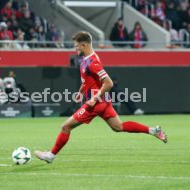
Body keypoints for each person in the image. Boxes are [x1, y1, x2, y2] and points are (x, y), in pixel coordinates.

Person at [35, 31, 167, 163]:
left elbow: (108, 83)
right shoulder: (86, 60)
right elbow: (87, 80)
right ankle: (153, 130)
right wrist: (81, 92)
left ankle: (51, 155)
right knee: (118, 127)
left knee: (66, 127)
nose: (75, 48)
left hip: (96, 104)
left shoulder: (93, 63)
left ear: (83, 46)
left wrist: (94, 98)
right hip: (103, 101)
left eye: (76, 46)